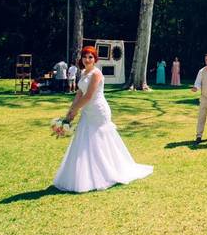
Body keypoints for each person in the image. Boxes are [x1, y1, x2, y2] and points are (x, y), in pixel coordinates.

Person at [53, 46, 153, 192]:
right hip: (87, 110)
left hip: (98, 111)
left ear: (95, 59)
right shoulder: (83, 72)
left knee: (100, 140)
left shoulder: (96, 73)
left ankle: (109, 171)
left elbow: (89, 96)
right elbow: (80, 93)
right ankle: (84, 174)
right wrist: (70, 111)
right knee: (84, 139)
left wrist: (75, 109)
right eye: (85, 57)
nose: (87, 60)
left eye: (90, 57)